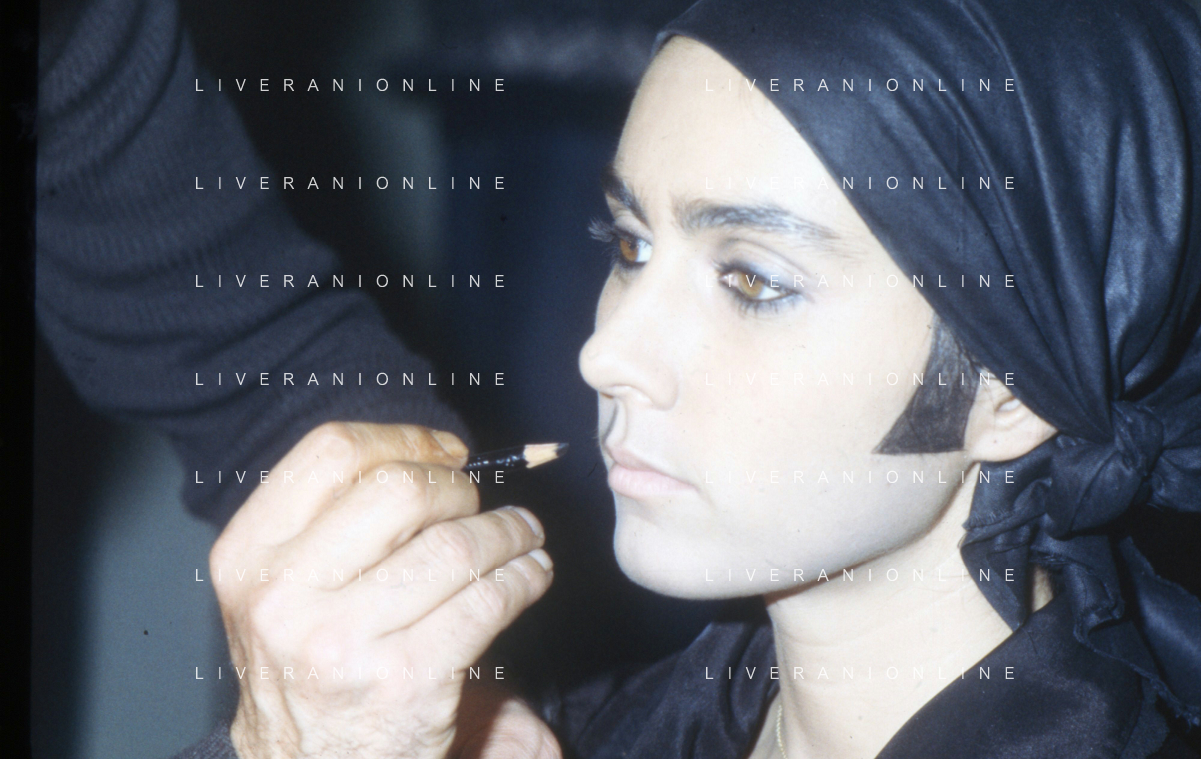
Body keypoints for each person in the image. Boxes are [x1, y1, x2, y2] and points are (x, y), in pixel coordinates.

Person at [174, 0, 1201, 757]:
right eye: (628, 246)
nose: (604, 354)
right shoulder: (560, 735)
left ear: (1010, 391)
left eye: (751, 280)